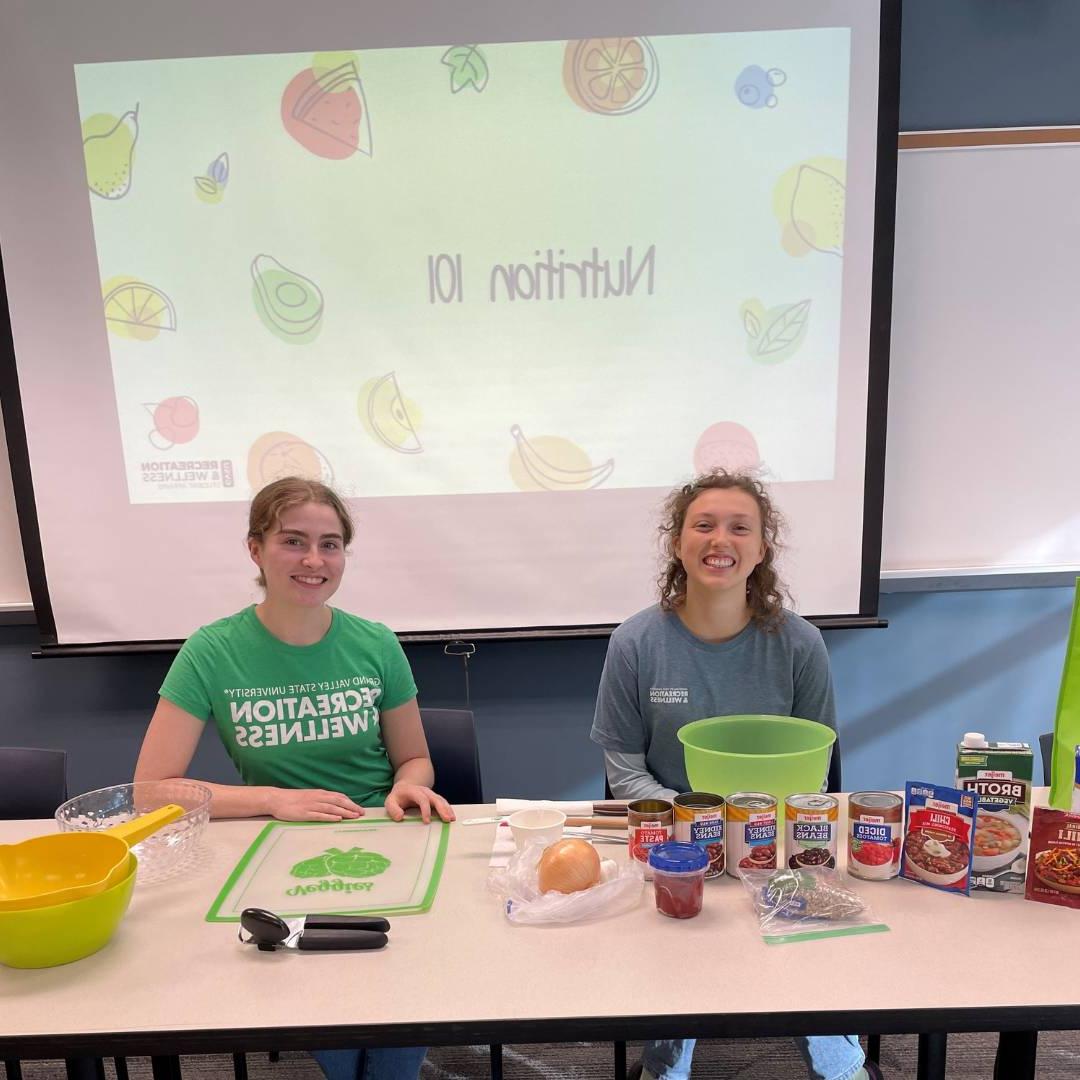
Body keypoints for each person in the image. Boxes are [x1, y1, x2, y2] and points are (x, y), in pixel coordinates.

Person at [135, 476, 453, 1080]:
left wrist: (407, 784)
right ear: (256, 549)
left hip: (380, 836)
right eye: (294, 541)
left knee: (397, 1005)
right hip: (277, 849)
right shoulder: (211, 650)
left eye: (330, 545)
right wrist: (275, 800)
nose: (314, 561)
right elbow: (151, 790)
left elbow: (415, 758)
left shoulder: (376, 643)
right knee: (335, 1018)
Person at [590, 470, 883, 1080]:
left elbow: (818, 773)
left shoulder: (800, 644)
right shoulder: (636, 642)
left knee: (832, 1042)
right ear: (677, 543)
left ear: (761, 547)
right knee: (675, 1001)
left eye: (738, 527)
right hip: (675, 851)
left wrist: (751, 834)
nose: (719, 539)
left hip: (777, 850)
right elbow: (623, 767)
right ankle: (670, 1054)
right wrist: (701, 826)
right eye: (703, 524)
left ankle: (839, 1060)